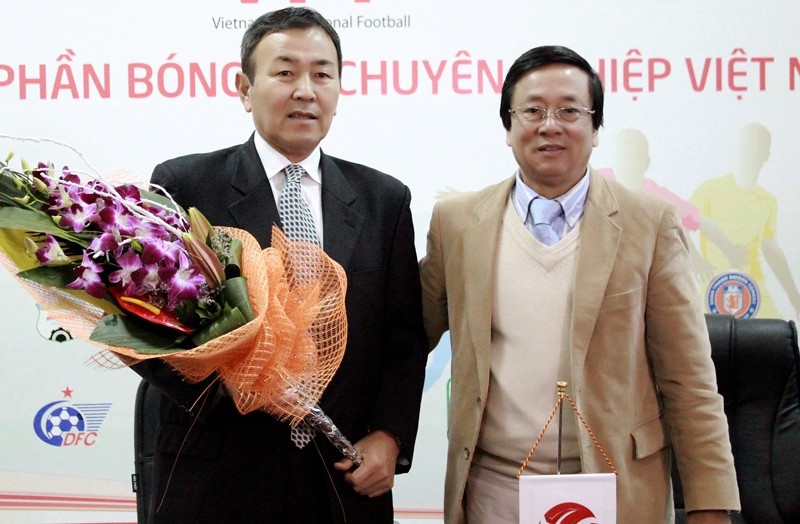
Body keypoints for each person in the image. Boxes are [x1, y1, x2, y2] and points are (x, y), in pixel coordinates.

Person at [418, 45, 739, 523]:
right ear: (508, 127)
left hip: (617, 487)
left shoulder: (649, 223)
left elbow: (689, 378)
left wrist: (710, 504)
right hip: (493, 489)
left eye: (570, 111)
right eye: (532, 111)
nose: (550, 125)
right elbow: (406, 338)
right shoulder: (458, 223)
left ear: (595, 128)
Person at [132, 7, 428, 523]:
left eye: (322, 74)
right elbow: (142, 323)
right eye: (285, 72)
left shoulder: (384, 199)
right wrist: (228, 385)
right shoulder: (185, 186)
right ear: (245, 89)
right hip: (218, 472)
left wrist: (390, 435)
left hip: (343, 475)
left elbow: (403, 337)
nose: (305, 91)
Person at [690, 123, 800, 319]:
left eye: (757, 147)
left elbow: (772, 252)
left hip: (755, 295)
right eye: (746, 145)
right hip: (714, 296)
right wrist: (696, 261)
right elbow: (679, 226)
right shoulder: (710, 190)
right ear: (738, 148)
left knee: (779, 333)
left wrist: (794, 298)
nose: (751, 152)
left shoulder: (767, 201)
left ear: (766, 155)